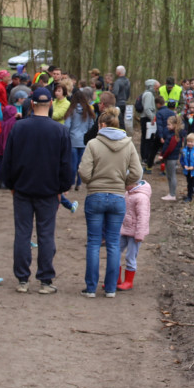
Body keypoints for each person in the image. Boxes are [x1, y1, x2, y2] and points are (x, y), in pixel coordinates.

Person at [0, 87, 74, 294]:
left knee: (23, 233)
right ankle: (45, 280)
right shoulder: (59, 131)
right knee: (46, 234)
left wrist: (11, 184)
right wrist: (62, 188)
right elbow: (66, 164)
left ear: (31, 104)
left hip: (23, 189)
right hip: (48, 191)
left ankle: (23, 279)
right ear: (51, 103)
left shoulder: (19, 128)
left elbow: (8, 160)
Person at [78, 109, 141, 298]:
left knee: (94, 242)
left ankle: (90, 288)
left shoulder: (93, 144)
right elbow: (137, 172)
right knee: (113, 243)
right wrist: (124, 183)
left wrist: (92, 182)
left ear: (102, 125)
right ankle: (111, 288)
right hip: (117, 198)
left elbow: (84, 171)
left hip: (95, 196)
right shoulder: (128, 145)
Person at [116, 176, 151, 292]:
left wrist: (139, 234)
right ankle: (115, 278)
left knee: (130, 256)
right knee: (115, 252)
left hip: (135, 233)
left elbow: (143, 217)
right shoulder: (128, 194)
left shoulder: (141, 197)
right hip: (124, 229)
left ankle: (128, 281)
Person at [65, 88, 96, 189]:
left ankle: (71, 182)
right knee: (81, 163)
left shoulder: (71, 111)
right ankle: (79, 183)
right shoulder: (88, 111)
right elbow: (91, 126)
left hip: (73, 140)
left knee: (72, 163)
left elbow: (67, 126)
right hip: (84, 141)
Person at [155, 114, 181, 201]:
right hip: (169, 157)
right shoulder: (171, 134)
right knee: (169, 175)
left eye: (169, 124)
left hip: (171, 158)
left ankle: (172, 194)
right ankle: (171, 193)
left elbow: (170, 148)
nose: (167, 126)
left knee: (171, 175)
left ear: (174, 125)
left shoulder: (174, 136)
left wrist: (163, 156)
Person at [138, 79, 159, 171]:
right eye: (156, 87)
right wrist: (153, 118)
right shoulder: (149, 95)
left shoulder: (147, 94)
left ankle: (146, 157)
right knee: (147, 139)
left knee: (147, 138)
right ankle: (145, 158)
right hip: (147, 119)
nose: (157, 89)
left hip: (147, 118)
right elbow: (147, 109)